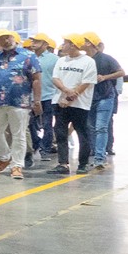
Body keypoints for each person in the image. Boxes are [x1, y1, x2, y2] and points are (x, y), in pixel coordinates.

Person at [0, 29, 41, 180]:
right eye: (2, 38)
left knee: (19, 134)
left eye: (8, 37)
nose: (6, 41)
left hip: (19, 101)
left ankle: (17, 165)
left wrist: (37, 100)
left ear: (14, 38)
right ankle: (5, 157)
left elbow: (36, 78)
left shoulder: (28, 55)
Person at [48, 35, 97, 175]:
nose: (63, 45)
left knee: (82, 134)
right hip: (60, 103)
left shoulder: (88, 62)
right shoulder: (61, 60)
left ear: (73, 45)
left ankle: (83, 164)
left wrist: (70, 98)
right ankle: (63, 164)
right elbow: (55, 78)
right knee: (61, 133)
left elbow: (86, 83)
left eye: (65, 43)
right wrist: (65, 91)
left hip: (80, 104)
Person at [83, 33, 124, 170]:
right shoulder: (83, 60)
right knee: (90, 127)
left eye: (84, 41)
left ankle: (99, 157)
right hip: (88, 97)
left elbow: (121, 72)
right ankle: (96, 153)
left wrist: (105, 77)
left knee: (101, 127)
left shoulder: (106, 59)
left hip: (105, 96)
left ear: (90, 43)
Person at [27, 34, 59, 159]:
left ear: (45, 44)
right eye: (33, 41)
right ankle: (36, 144)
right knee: (29, 123)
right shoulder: (28, 57)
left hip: (49, 95)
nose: (34, 43)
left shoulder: (54, 59)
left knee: (47, 124)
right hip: (30, 96)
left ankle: (45, 149)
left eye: (37, 41)